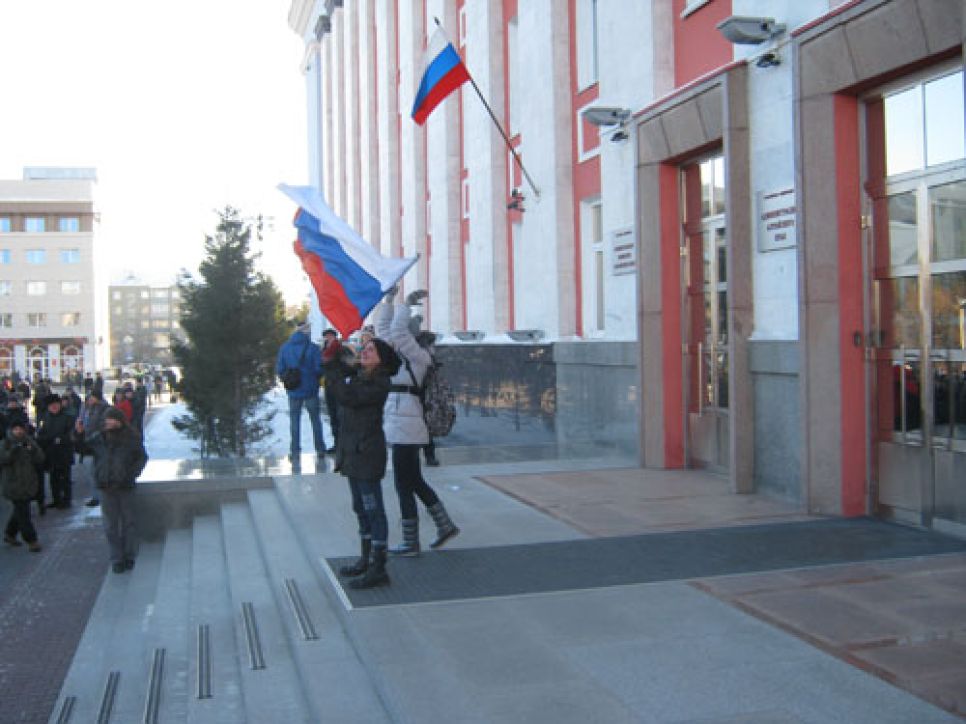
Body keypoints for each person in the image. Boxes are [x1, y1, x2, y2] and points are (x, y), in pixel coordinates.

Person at [375, 292, 460, 557]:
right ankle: (444, 525)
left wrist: (405, 304)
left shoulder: (418, 355)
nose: (398, 339)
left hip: (408, 426)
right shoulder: (403, 354)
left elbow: (397, 332)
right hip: (402, 422)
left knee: (405, 484)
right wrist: (387, 303)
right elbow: (384, 332)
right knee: (412, 480)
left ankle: (412, 542)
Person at [326, 336, 400, 589]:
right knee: (360, 508)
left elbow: (347, 396)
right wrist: (338, 360)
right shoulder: (360, 376)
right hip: (353, 453)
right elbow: (344, 382)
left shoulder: (379, 382)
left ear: (382, 359)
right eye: (364, 349)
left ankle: (379, 568)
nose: (364, 353)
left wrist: (335, 370)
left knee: (373, 509)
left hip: (367, 454)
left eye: (371, 350)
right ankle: (366, 559)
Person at [73, 407, 148, 573]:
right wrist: (78, 434)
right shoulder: (99, 438)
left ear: (119, 420)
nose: (108, 423)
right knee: (110, 525)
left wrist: (131, 474)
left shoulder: (131, 437)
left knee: (129, 522)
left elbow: (142, 457)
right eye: (107, 420)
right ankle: (116, 558)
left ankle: (129, 555)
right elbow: (83, 449)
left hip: (125, 485)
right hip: (106, 486)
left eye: (112, 419)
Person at [276, 323, 327, 468]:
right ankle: (320, 449)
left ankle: (295, 451)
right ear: (307, 333)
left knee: (294, 421)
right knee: (315, 421)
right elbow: (319, 369)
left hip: (293, 390)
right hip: (311, 389)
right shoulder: (313, 348)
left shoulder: (285, 348)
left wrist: (289, 379)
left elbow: (280, 369)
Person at [1, 418, 45, 552]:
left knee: (20, 510)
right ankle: (32, 540)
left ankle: (10, 533)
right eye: (16, 429)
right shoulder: (6, 443)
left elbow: (40, 458)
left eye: (20, 429)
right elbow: (3, 459)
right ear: (11, 430)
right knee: (24, 514)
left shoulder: (29, 441)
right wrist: (14, 450)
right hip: (13, 484)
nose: (18, 431)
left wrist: (32, 450)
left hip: (28, 483)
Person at [36, 393, 76, 509]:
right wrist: (51, 439)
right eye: (51, 405)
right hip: (51, 452)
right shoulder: (46, 417)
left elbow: (70, 435)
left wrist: (59, 439)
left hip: (64, 452)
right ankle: (56, 499)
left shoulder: (67, 417)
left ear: (59, 405)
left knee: (65, 478)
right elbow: (41, 435)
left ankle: (66, 500)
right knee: (53, 478)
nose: (54, 407)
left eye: (56, 404)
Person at [78, 392, 109, 508]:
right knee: (92, 471)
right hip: (90, 444)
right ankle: (96, 496)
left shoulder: (103, 409)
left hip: (100, 443)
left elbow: (102, 426)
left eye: (92, 398)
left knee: (99, 470)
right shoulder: (88, 409)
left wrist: (93, 436)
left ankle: (101, 496)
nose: (89, 400)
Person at [415, 330, 441, 467]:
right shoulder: (421, 358)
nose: (434, 347)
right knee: (423, 428)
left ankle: (429, 455)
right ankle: (428, 455)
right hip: (420, 397)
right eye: (432, 344)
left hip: (425, 397)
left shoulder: (426, 357)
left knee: (425, 428)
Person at [321, 328, 342, 454]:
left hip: (338, 385)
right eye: (326, 337)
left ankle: (342, 444)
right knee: (333, 417)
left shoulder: (338, 349)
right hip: (329, 385)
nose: (327, 339)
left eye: (330, 336)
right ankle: (337, 443)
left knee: (339, 416)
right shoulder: (325, 351)